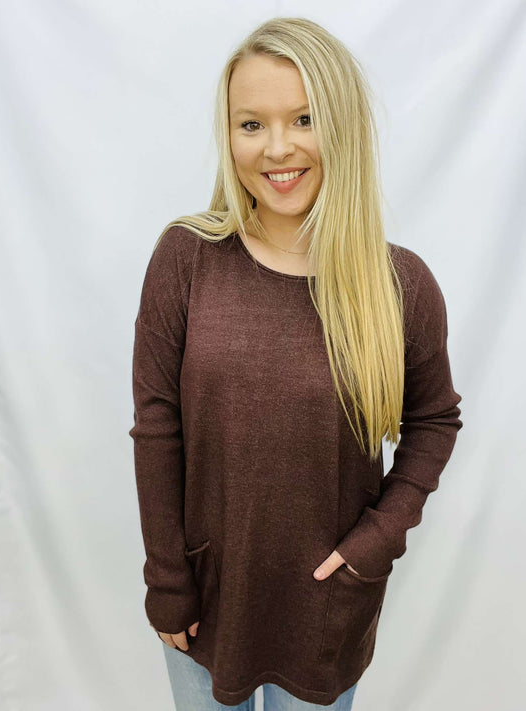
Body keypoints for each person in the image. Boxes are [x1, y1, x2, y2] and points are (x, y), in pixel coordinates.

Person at [128, 16, 463, 710]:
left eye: (304, 118)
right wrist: (167, 580)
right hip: (203, 600)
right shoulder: (185, 259)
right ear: (228, 135)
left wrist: (376, 542)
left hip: (326, 607)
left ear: (341, 125)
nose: (277, 147)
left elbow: (434, 420)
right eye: (251, 124)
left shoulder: (398, 284)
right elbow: (157, 428)